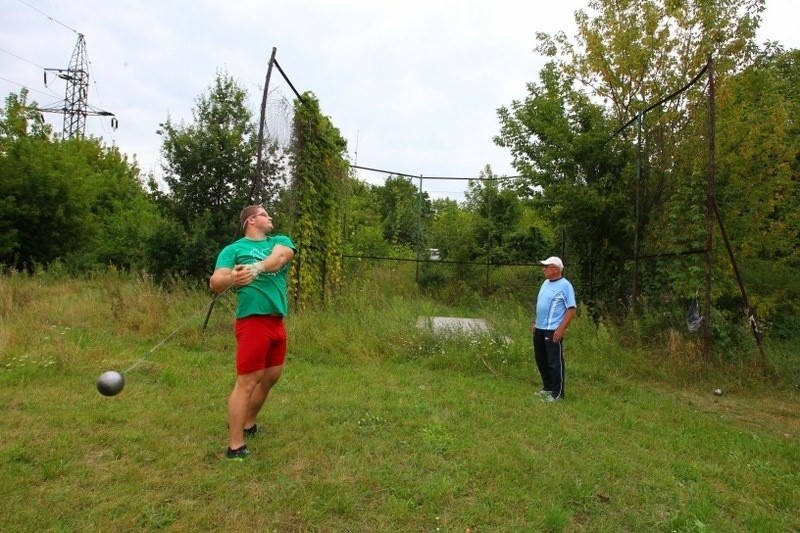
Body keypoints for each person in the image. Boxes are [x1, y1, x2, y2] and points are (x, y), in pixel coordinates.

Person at [209, 205, 296, 460]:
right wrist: (233, 278)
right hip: (252, 322)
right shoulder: (233, 250)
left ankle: (248, 422)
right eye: (265, 214)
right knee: (247, 382)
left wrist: (256, 268)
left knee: (270, 377)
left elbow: (280, 258)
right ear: (251, 220)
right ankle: (235, 445)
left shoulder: (279, 241)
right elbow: (216, 282)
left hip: (276, 321)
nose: (270, 217)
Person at [532, 256, 576, 402]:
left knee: (554, 361)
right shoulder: (545, 283)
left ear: (556, 269)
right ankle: (548, 387)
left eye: (547, 266)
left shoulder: (565, 286)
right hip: (540, 328)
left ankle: (558, 393)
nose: (544, 269)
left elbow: (571, 310)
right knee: (541, 358)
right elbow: (542, 305)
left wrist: (561, 329)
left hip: (553, 329)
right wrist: (536, 323)